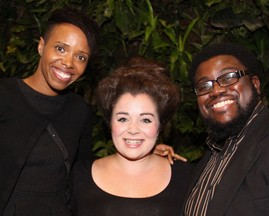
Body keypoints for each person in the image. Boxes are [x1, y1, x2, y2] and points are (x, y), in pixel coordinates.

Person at [0, 7, 98, 215]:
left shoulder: (79, 111)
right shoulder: (5, 95)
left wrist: (142, 155)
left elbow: (85, 173)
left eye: (81, 57)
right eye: (61, 49)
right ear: (41, 46)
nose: (69, 63)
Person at [71, 57, 194, 216]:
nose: (133, 129)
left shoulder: (185, 176)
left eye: (145, 120)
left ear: (159, 126)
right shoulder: (78, 177)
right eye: (123, 119)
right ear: (109, 122)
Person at [184, 43, 269, 216]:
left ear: (255, 84)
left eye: (228, 77)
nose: (216, 90)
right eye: (204, 87)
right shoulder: (208, 159)